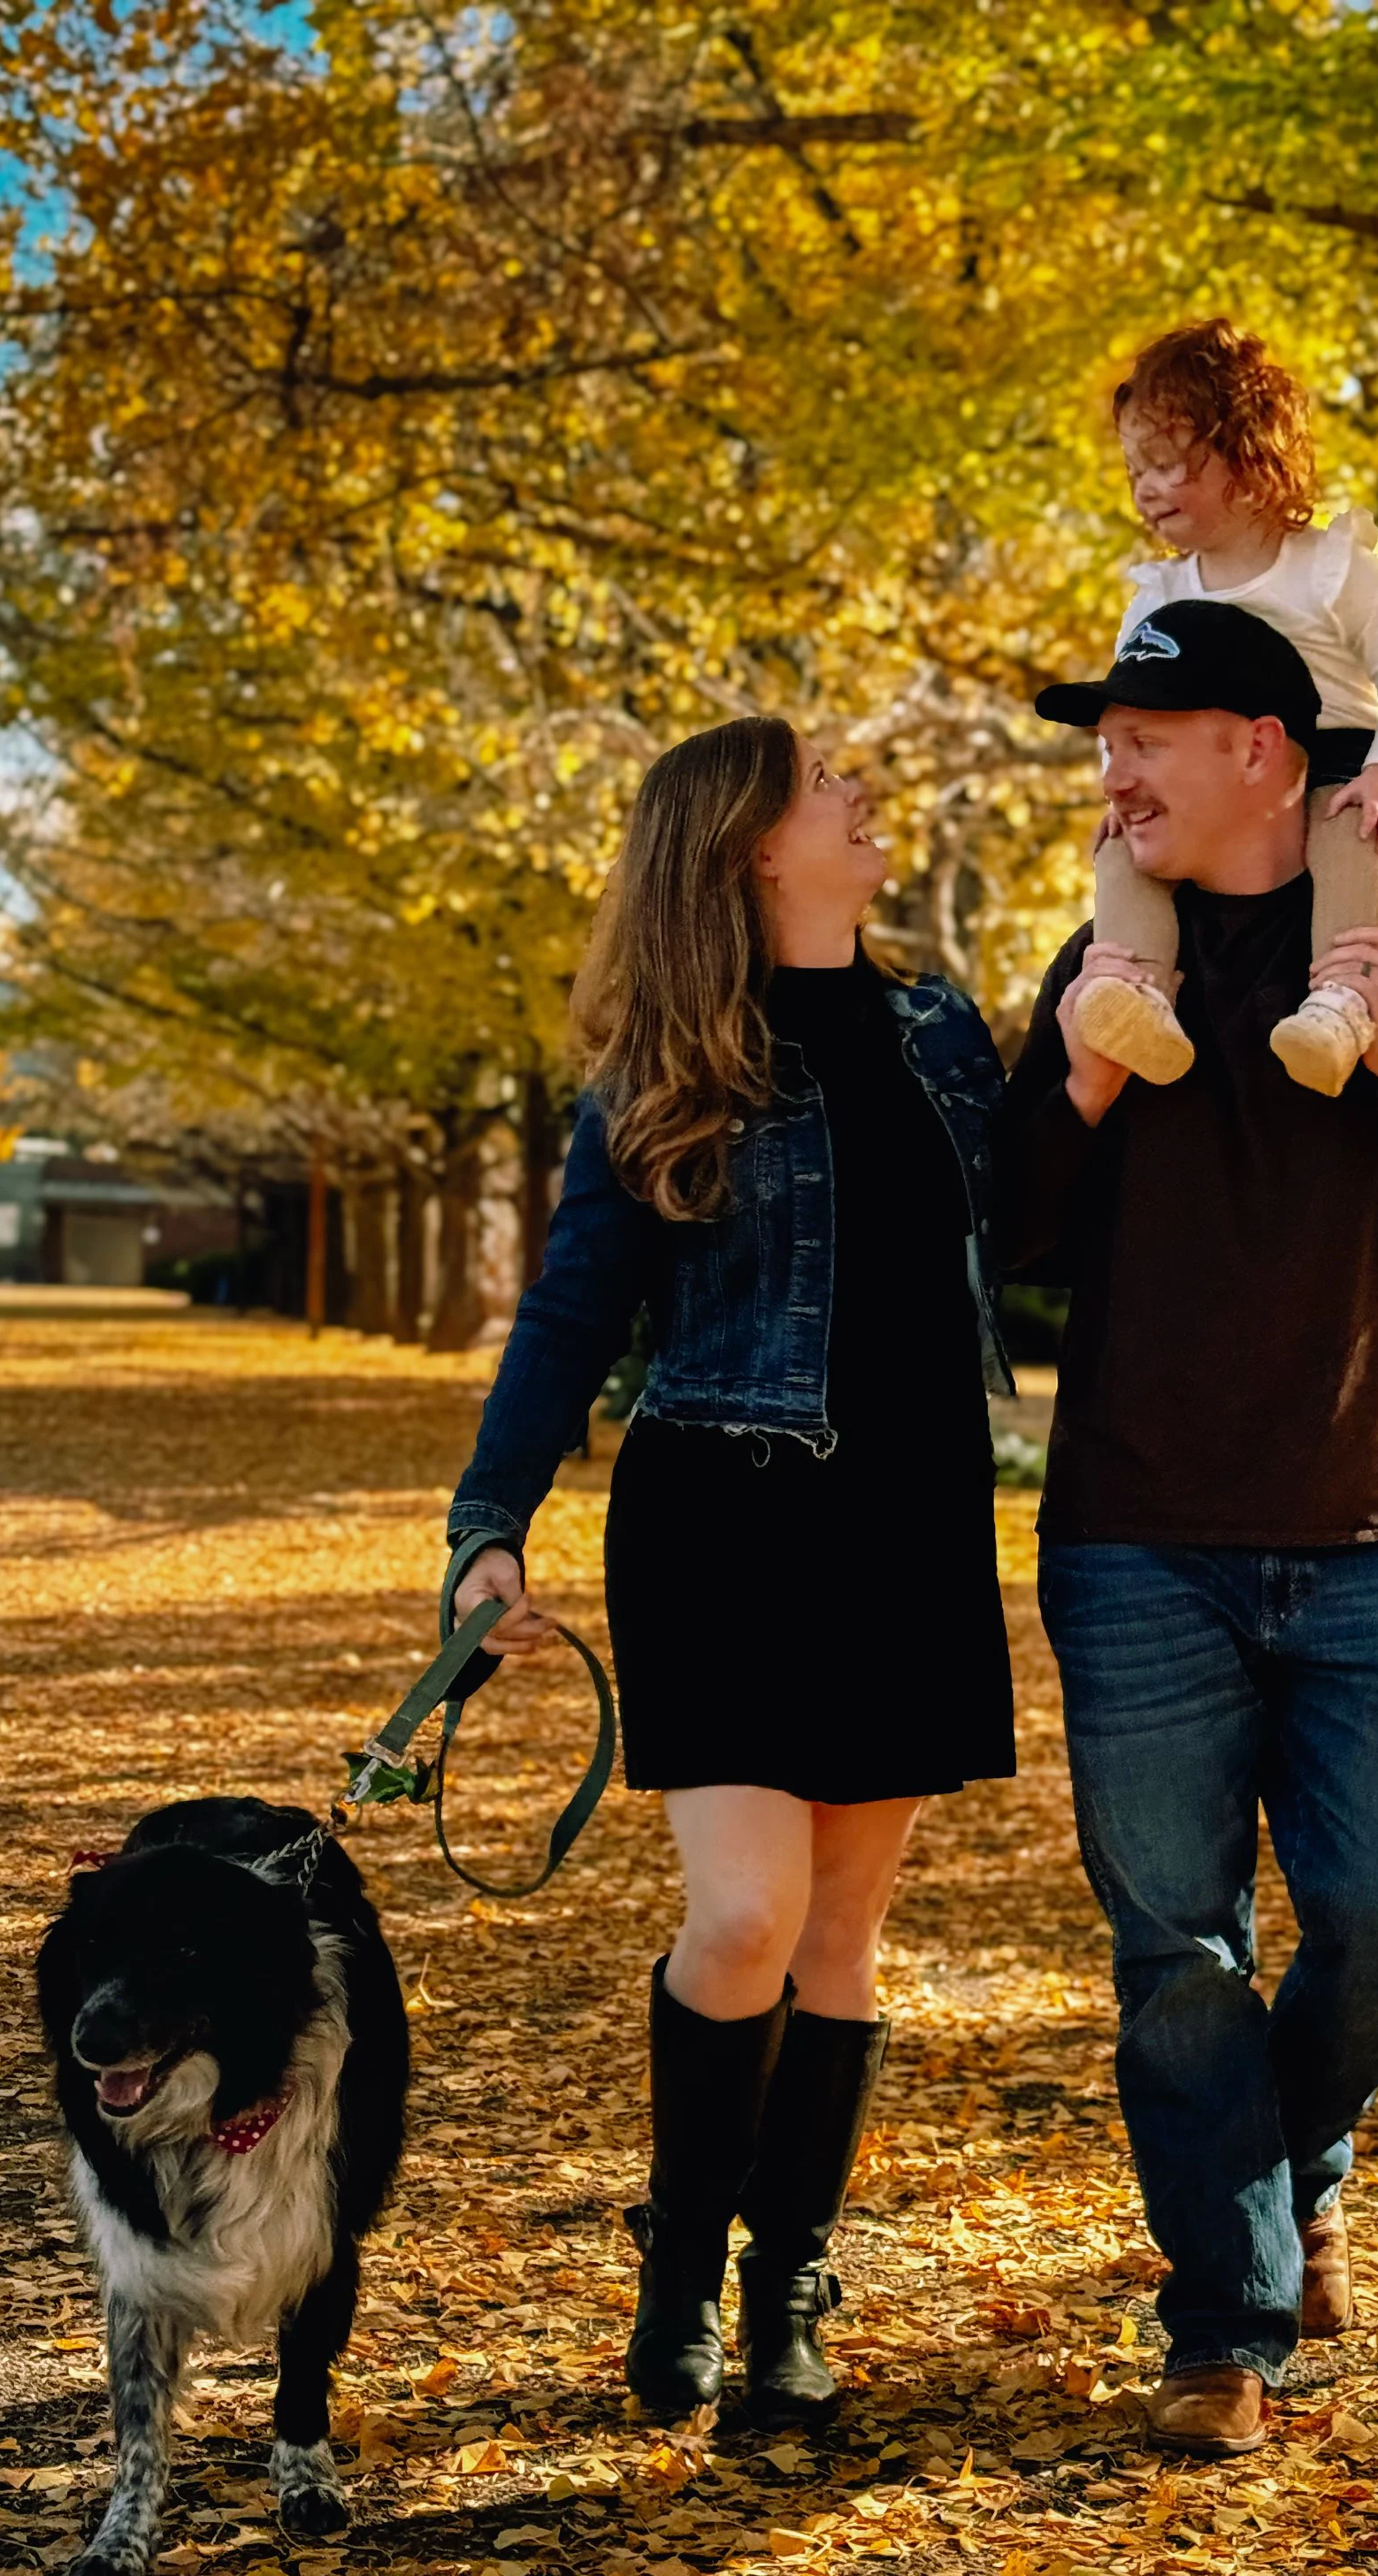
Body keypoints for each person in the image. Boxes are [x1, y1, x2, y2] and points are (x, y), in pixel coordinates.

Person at [999, 595, 1378, 2460]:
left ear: (1262, 745)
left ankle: (1289, 2140)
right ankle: (1226, 2321)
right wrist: (1090, 1079)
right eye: (1105, 742)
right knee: (1174, 1947)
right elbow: (998, 1229)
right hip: (1134, 1536)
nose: (1110, 773)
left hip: (1375, 1519)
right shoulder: (1103, 961)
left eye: (1141, 739)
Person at [445, 715, 1016, 2430]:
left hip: (909, 1520)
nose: (859, 797)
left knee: (841, 1931)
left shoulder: (938, 1033)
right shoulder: (659, 1066)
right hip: (721, 1515)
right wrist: (487, 1524)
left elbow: (1045, 1215)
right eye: (825, 783)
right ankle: (681, 2260)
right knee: (743, 1915)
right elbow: (568, 1313)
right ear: (754, 844)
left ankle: (789, 2285)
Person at [1074, 318, 1378, 1100]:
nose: (1144, 486)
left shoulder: (1335, 571)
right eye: (1135, 468)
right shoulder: (1159, 598)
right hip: (1210, 793)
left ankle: (1343, 1001)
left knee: (1356, 836)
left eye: (1167, 463)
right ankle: (1137, 995)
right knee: (1118, 854)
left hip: (1337, 759)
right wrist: (1124, 784)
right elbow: (1124, 716)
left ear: (1246, 460)